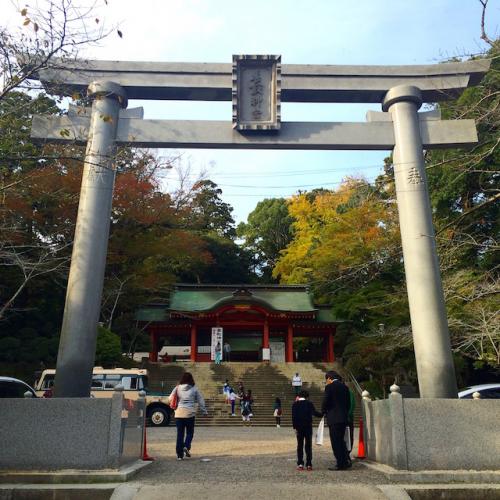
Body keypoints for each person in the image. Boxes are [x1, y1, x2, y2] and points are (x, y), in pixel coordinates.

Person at [169, 371, 207, 460]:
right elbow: (201, 400)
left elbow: (170, 398)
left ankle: (179, 455)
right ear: (191, 379)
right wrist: (204, 411)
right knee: (190, 432)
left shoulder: (177, 388)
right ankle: (186, 446)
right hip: (190, 414)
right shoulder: (194, 388)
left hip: (178, 414)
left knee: (180, 434)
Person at [321, 370, 351, 471]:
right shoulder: (345, 387)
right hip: (343, 417)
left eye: (326, 380)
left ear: (329, 378)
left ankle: (340, 464)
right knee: (341, 441)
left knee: (335, 442)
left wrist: (323, 411)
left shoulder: (329, 387)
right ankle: (345, 461)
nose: (326, 382)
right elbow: (348, 403)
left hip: (333, 418)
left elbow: (326, 401)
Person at [292, 390, 322, 471]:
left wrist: (295, 427)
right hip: (308, 427)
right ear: (307, 396)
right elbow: (315, 413)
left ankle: (300, 463)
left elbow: (294, 417)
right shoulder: (309, 404)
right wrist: (322, 414)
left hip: (299, 427)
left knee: (300, 445)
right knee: (308, 445)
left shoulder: (295, 404)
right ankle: (309, 464)